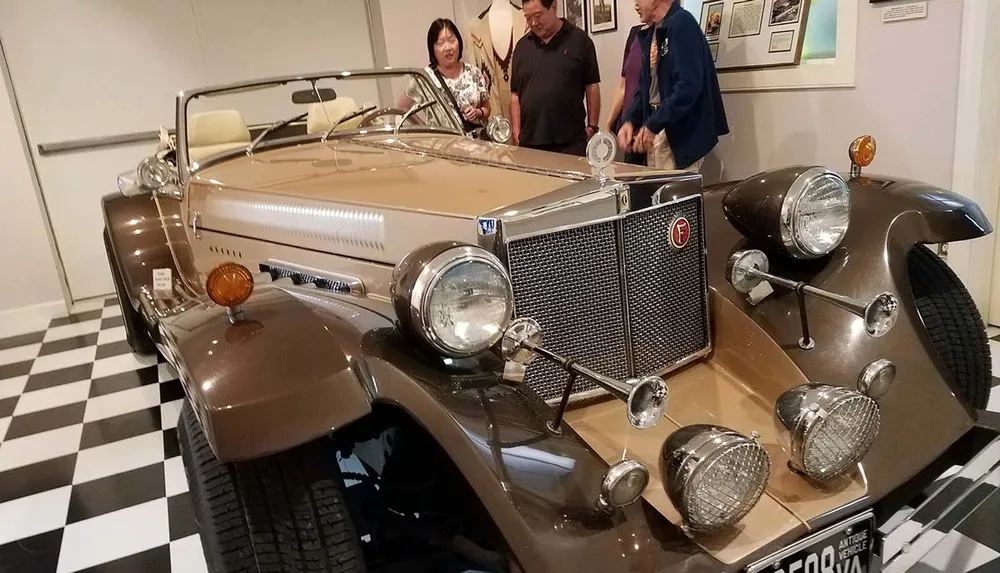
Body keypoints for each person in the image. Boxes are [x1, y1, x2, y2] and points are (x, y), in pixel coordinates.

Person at [617, 0, 729, 172]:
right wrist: (630, 120)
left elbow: (688, 86)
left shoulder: (682, 23)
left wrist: (654, 123)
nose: (635, 5)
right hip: (660, 130)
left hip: (679, 135)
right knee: (657, 194)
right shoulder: (653, 32)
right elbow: (646, 88)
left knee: (675, 197)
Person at [510, 0, 601, 156]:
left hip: (571, 142)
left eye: (538, 15)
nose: (533, 22)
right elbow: (515, 94)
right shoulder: (521, 47)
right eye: (528, 17)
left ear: (554, 6)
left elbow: (592, 86)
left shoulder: (580, 40)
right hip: (530, 143)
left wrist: (592, 126)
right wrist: (517, 132)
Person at [401, 18, 490, 130]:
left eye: (452, 40)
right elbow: (403, 107)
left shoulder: (473, 72)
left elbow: (487, 107)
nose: (448, 48)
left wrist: (478, 112)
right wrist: (427, 129)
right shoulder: (424, 77)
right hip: (443, 145)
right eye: (440, 43)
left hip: (478, 144)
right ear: (432, 48)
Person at [604, 22, 648, 165]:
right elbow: (623, 86)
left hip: (652, 129)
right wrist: (608, 125)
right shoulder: (635, 33)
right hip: (630, 129)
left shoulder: (667, 31)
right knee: (631, 182)